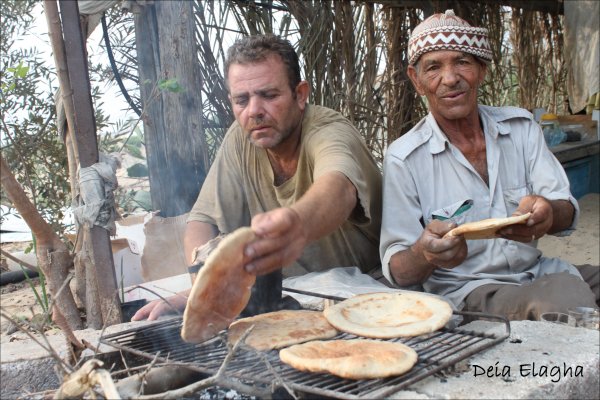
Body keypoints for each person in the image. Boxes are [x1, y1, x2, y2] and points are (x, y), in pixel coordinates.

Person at [133, 34, 382, 321]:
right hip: (289, 304)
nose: (254, 111)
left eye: (269, 95)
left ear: (300, 95)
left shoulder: (328, 130)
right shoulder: (241, 139)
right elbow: (202, 221)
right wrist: (203, 291)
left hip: (367, 298)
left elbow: (338, 189)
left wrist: (296, 225)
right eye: (242, 100)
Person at [380, 10, 599, 321]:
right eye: (433, 67)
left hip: (539, 271)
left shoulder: (521, 129)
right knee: (563, 299)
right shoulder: (404, 158)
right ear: (417, 80)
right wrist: (425, 253)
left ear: (481, 70)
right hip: (471, 290)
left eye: (462, 62)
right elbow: (400, 271)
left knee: (563, 291)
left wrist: (548, 213)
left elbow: (565, 210)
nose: (450, 78)